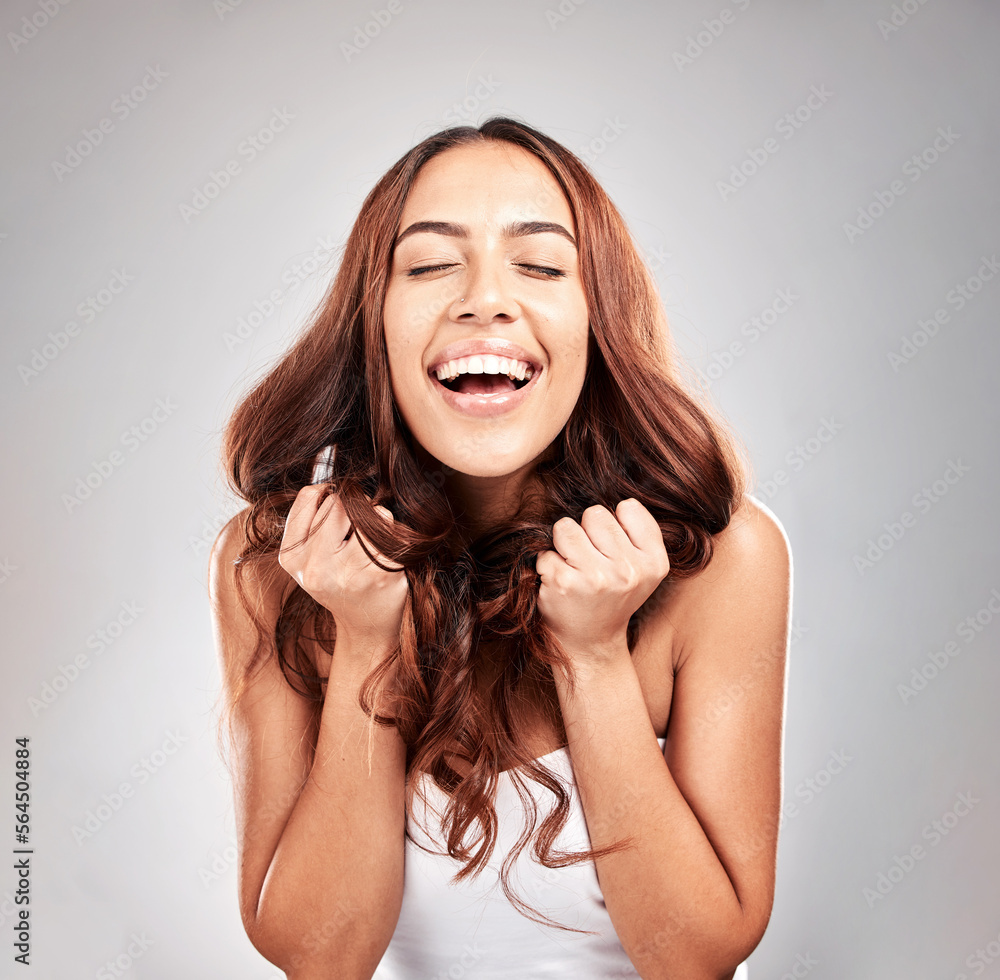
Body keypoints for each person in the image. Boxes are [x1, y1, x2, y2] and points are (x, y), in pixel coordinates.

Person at [209, 116, 790, 980]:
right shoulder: (278, 565)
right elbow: (319, 958)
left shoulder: (723, 558)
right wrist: (368, 640)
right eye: (433, 264)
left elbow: (696, 956)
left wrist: (592, 656)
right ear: (373, 325)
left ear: (600, 322)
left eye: (543, 265)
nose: (485, 298)